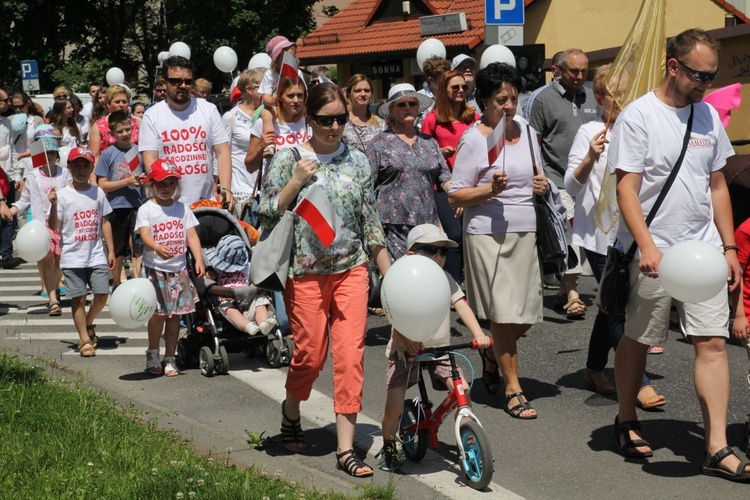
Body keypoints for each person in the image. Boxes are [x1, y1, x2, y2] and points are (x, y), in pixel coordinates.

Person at [609, 28, 750, 481]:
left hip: (704, 251)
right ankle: (626, 419)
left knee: (712, 342)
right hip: (656, 253)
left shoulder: (707, 117)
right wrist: (648, 245)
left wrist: (728, 247)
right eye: (698, 75)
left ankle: (716, 446)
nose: (706, 84)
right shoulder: (639, 116)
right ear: (674, 66)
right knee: (637, 338)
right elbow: (626, 189)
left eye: (711, 76)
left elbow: (717, 185)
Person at [258, 82, 390, 477]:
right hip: (305, 273)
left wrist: (391, 273)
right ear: (309, 119)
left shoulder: (358, 161)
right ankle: (292, 407)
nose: (334, 127)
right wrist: (295, 181)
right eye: (324, 120)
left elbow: (371, 223)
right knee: (310, 357)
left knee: (351, 357)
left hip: (351, 271)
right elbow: (265, 212)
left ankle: (345, 450)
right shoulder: (289, 157)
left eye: (339, 119)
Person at [449, 62, 548, 420]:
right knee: (505, 315)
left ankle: (492, 353)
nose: (508, 106)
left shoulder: (527, 131)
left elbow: (538, 177)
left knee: (526, 315)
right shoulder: (476, 139)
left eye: (512, 97)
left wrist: (542, 184)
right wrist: (490, 189)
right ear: (484, 101)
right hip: (487, 235)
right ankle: (513, 388)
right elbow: (455, 195)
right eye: (499, 99)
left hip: (525, 230)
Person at [564, 64, 665, 407]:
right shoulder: (590, 131)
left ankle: (594, 369)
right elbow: (571, 185)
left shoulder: (638, 128)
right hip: (597, 233)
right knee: (621, 306)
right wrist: (591, 156)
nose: (621, 102)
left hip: (629, 231)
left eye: (627, 93)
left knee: (610, 305)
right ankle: (640, 382)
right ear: (599, 98)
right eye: (614, 96)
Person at [377, 224, 491, 472]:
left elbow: (461, 304)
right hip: (405, 353)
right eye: (430, 250)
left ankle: (468, 438)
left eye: (443, 252)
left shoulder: (444, 279)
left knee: (462, 390)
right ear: (411, 254)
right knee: (394, 406)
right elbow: (395, 311)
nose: (438, 256)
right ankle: (387, 445)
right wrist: (404, 338)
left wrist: (479, 333)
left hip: (439, 350)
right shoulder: (402, 277)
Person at [530, 48, 599, 318]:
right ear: (559, 70)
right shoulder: (542, 100)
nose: (580, 76)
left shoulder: (592, 95)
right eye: (574, 71)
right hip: (557, 178)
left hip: (589, 179)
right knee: (569, 235)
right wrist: (539, 178)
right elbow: (534, 142)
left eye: (584, 71)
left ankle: (563, 289)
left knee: (582, 235)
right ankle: (572, 293)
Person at [136, 158, 205, 377]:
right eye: (161, 184)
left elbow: (191, 235)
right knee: (157, 314)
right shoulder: (147, 209)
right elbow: (145, 234)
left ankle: (170, 357)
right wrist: (156, 246)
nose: (166, 188)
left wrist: (198, 258)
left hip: (179, 270)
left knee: (175, 316)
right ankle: (153, 354)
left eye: (171, 183)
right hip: (156, 270)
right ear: (151, 185)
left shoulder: (182, 209)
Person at [367, 83, 449, 260]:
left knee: (426, 271)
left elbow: (444, 176)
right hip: (394, 225)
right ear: (391, 110)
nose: (407, 108)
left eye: (412, 104)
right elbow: (367, 185)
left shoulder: (429, 142)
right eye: (401, 105)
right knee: (401, 273)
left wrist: (461, 195)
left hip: (426, 222)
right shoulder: (379, 142)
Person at [140, 56, 234, 211]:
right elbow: (151, 161)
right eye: (176, 81)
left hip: (206, 203)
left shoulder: (208, 109)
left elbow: (222, 151)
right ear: (164, 82)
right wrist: (165, 196)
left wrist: (225, 189)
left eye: (188, 81)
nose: (183, 86)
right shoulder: (152, 115)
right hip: (169, 204)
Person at [47, 147, 114, 357]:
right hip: (73, 256)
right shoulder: (63, 195)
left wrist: (110, 249)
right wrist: (53, 205)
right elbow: (54, 225)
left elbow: (104, 221)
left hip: (96, 254)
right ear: (69, 168)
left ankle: (88, 321)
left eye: (86, 165)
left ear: (92, 168)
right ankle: (85, 339)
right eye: (76, 165)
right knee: (79, 298)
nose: (81, 170)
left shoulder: (98, 192)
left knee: (102, 294)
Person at [3, 125, 72, 315]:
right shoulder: (33, 176)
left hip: (62, 226)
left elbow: (71, 198)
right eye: (44, 153)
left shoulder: (64, 174)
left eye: (51, 153)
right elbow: (24, 201)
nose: (48, 156)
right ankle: (53, 300)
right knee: (48, 261)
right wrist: (12, 210)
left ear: (57, 154)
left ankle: (56, 286)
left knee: (59, 263)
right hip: (42, 227)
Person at [421, 70, 480, 282]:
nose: (461, 91)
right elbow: (423, 151)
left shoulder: (474, 117)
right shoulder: (432, 119)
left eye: (464, 87)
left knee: (471, 235)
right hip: (443, 185)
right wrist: (439, 151)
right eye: (455, 87)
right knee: (454, 235)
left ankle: (471, 285)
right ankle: (453, 286)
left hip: (472, 183)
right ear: (444, 90)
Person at [95, 110, 145, 288]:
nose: (124, 134)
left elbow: (146, 177)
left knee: (139, 245)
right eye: (120, 131)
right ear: (112, 133)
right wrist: (127, 181)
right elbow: (102, 184)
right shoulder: (109, 154)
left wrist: (143, 181)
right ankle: (116, 283)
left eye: (127, 129)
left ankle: (139, 281)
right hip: (116, 206)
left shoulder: (139, 152)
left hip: (138, 205)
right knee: (118, 248)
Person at [204, 234, 276, 335]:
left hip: (249, 298)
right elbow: (209, 276)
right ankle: (248, 326)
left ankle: (263, 324)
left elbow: (256, 279)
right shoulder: (217, 268)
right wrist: (209, 272)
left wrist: (257, 288)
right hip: (228, 299)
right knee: (229, 309)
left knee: (260, 301)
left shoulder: (248, 267)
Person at [222, 68, 265, 221]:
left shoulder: (269, 116)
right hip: (240, 187)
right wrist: (223, 188)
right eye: (264, 87)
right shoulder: (231, 117)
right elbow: (220, 154)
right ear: (249, 89)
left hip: (265, 187)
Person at [257, 36, 306, 158]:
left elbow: (305, 92)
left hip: (290, 106)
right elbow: (265, 96)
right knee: (267, 115)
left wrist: (302, 109)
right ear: (277, 59)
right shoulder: (270, 74)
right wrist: (271, 100)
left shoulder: (297, 73)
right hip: (272, 106)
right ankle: (270, 144)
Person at [0, 88, 23, 269]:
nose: (8, 103)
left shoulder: (7, 122)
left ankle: (6, 255)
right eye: (5, 100)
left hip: (6, 175)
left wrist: (16, 175)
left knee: (8, 217)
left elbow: (12, 149)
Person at [89, 85, 140, 163]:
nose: (121, 105)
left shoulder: (136, 122)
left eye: (124, 101)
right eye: (117, 102)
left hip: (133, 168)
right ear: (108, 104)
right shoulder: (99, 126)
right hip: (108, 170)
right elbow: (95, 156)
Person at [341, 74, 385, 154]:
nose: (363, 94)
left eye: (367, 90)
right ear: (348, 95)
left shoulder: (381, 124)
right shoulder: (341, 122)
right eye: (358, 91)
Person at [521, 51, 564, 122]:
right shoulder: (537, 97)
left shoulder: (584, 95)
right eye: (565, 68)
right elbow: (529, 128)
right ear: (554, 70)